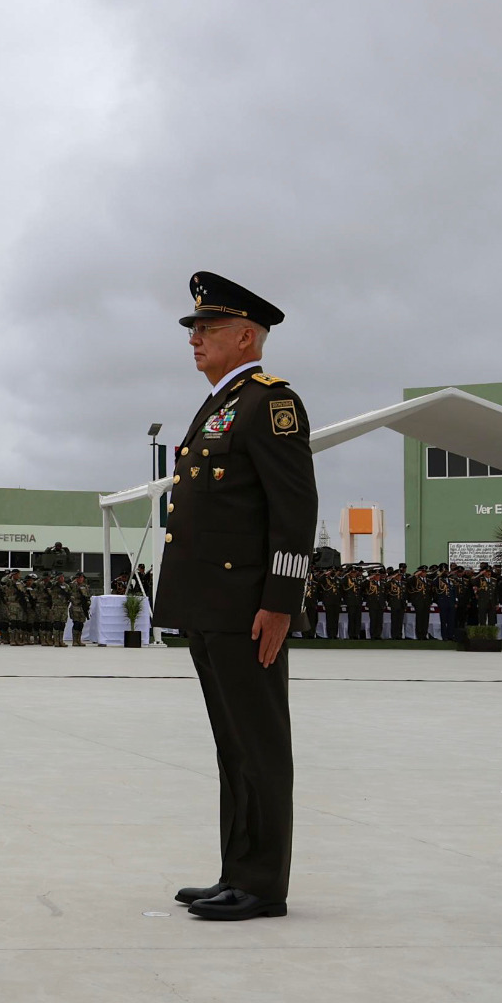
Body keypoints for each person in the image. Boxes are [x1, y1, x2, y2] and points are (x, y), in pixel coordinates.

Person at [156, 272, 316, 924]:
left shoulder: (271, 404)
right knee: (233, 744)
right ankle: (237, 871)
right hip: (209, 604)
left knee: (259, 743)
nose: (195, 340)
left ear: (247, 336)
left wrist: (280, 601)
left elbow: (294, 509)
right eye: (194, 330)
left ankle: (263, 883)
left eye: (208, 330)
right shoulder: (220, 404)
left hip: (247, 607)